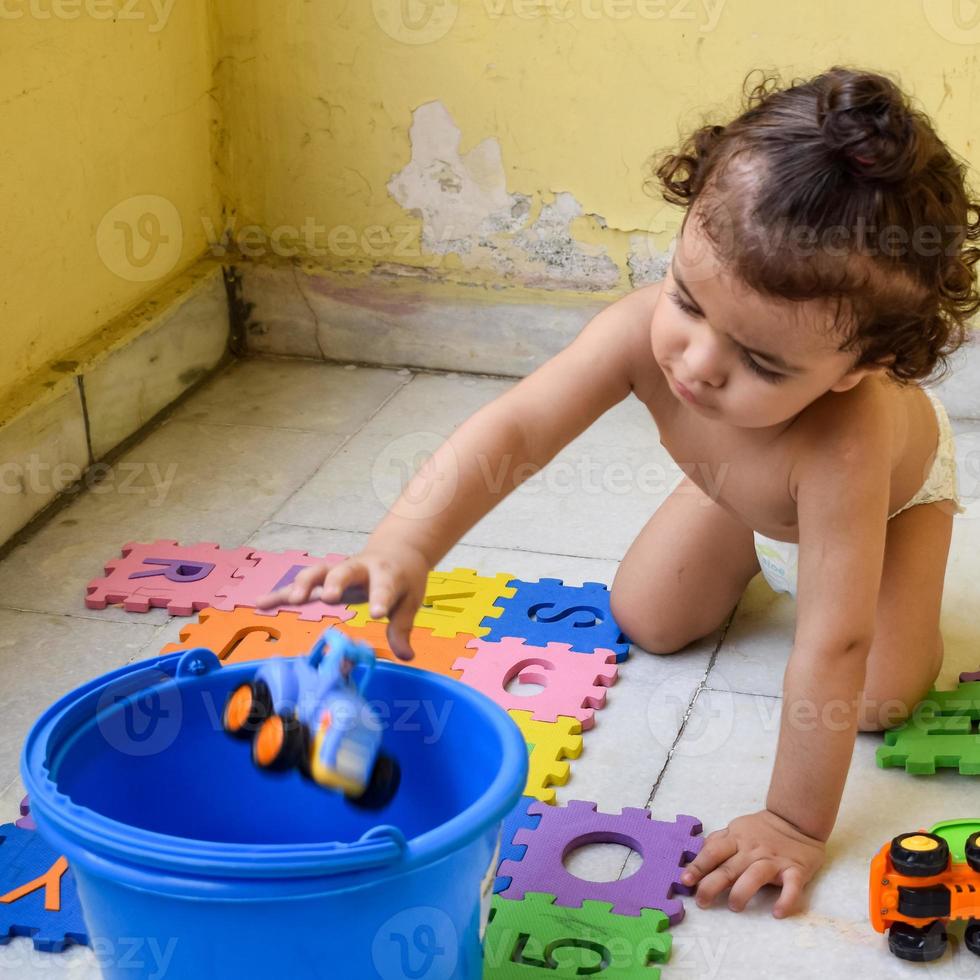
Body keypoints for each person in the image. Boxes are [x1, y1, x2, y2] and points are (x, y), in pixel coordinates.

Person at [257, 66, 977, 917]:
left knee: (879, 695)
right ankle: (748, 519)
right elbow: (518, 429)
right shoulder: (644, 331)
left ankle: (793, 534)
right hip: (747, 490)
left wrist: (792, 820)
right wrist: (405, 543)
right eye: (687, 299)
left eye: (762, 363)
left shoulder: (847, 441)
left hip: (887, 507)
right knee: (647, 617)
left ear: (860, 368)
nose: (699, 365)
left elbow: (834, 643)